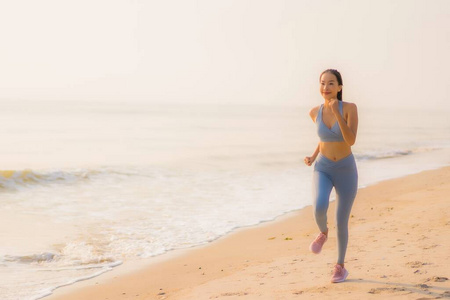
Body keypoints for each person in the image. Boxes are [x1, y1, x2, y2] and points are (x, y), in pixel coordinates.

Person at [304, 69, 358, 283]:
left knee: (341, 220)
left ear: (339, 87)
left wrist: (337, 112)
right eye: (323, 83)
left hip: (346, 169)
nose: (326, 88)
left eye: (331, 83)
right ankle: (323, 232)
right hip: (323, 167)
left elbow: (350, 139)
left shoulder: (350, 108)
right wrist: (313, 155)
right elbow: (324, 138)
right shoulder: (314, 112)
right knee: (318, 206)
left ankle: (340, 266)